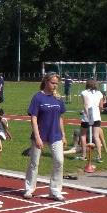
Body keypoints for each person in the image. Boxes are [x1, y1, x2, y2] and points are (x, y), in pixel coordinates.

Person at [23, 72, 67, 201]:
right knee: (34, 163)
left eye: (57, 84)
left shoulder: (58, 98)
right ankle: (29, 188)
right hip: (40, 134)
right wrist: (37, 136)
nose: (55, 86)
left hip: (55, 135)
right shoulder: (37, 97)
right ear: (46, 82)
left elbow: (60, 118)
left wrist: (63, 135)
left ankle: (55, 190)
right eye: (53, 83)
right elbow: (34, 118)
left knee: (59, 161)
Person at [79, 80, 105, 162]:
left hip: (88, 116)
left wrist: (88, 115)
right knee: (96, 136)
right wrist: (98, 113)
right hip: (97, 116)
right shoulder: (99, 93)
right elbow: (101, 106)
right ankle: (99, 156)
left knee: (83, 135)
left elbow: (86, 104)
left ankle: (83, 156)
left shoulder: (84, 92)